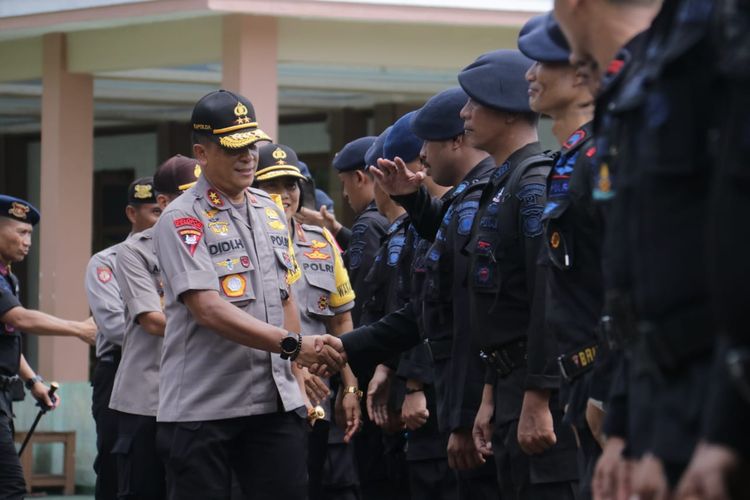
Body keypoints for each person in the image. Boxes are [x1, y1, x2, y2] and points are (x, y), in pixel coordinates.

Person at [152, 89, 345, 500]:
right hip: (204, 408)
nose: (248, 157)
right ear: (202, 153)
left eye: (251, 145)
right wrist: (295, 346)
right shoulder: (181, 218)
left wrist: (299, 373)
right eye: (234, 148)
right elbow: (207, 309)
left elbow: (287, 296)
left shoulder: (271, 210)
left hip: (274, 406)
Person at [518, 12, 604, 500]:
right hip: (581, 374)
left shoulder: (599, 156)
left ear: (578, 73)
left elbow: (619, 280)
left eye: (542, 63)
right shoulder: (568, 160)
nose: (530, 75)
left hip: (606, 376)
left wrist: (602, 391)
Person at [253, 142, 363, 500]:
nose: (284, 195)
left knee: (312, 485)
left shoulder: (321, 241)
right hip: (260, 396)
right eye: (272, 186)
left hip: (317, 396)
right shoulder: (241, 243)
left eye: (291, 185)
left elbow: (341, 322)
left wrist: (350, 387)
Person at [108, 155, 200, 500]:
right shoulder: (136, 252)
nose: (201, 203)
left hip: (197, 396)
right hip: (148, 398)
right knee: (144, 490)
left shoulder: (211, 242)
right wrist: (214, 320)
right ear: (164, 203)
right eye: (191, 195)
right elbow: (152, 319)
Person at [0, 195, 92, 498]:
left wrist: (33, 381)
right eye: (21, 232)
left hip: (5, 396)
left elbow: (9, 337)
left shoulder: (8, 278)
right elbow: (20, 318)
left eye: (31, 235)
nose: (28, 242)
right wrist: (78, 328)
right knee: (11, 487)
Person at [85, 176, 162, 500]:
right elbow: (116, 326)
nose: (163, 218)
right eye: (156, 211)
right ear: (132, 214)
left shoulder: (180, 255)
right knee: (118, 464)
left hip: (173, 370)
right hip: (122, 370)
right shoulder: (108, 262)